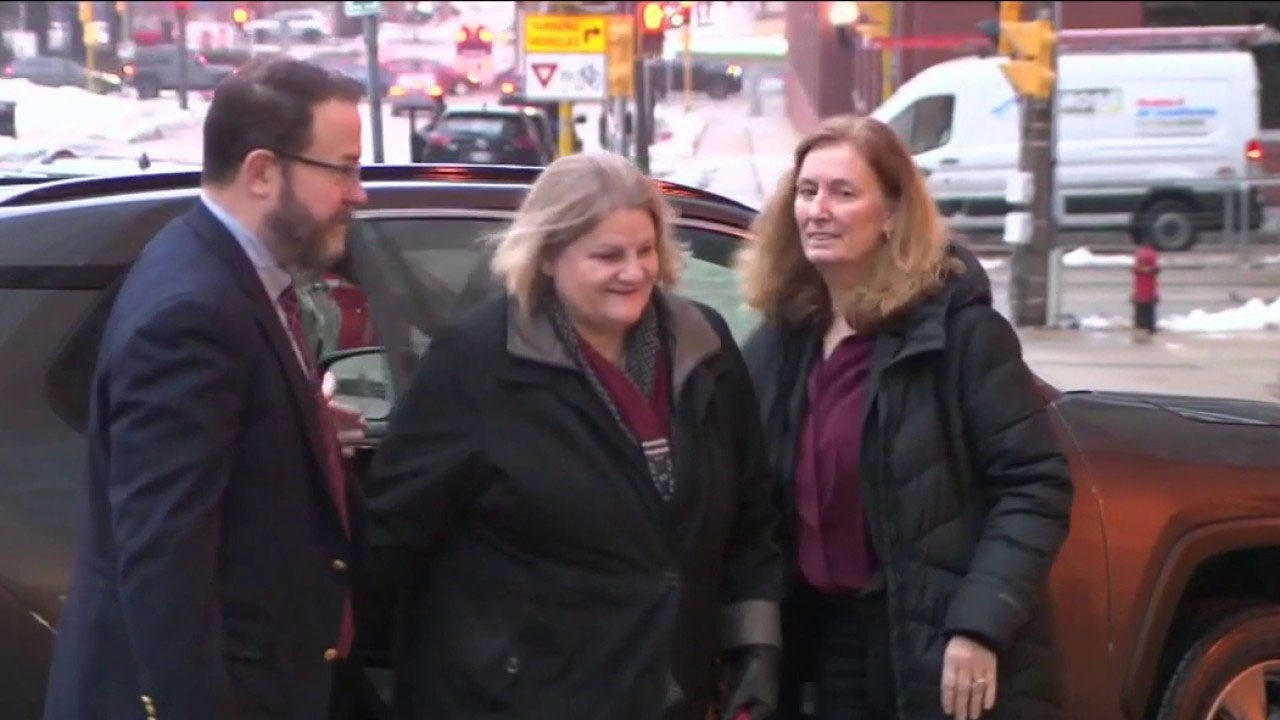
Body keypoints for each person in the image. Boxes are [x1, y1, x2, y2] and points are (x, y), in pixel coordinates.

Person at [363, 150, 783, 720]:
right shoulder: (477, 362)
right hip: (526, 699)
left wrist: (755, 649)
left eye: (645, 250)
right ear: (547, 256)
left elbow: (751, 517)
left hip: (674, 693)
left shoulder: (702, 346)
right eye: (608, 256)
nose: (633, 272)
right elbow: (394, 533)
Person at [43, 57, 377, 720]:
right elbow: (165, 559)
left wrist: (301, 428)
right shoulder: (194, 313)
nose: (358, 194)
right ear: (262, 172)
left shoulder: (218, 269)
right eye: (343, 169)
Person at [735, 114, 1074, 720]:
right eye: (808, 192)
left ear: (892, 213)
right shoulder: (781, 344)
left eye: (843, 192)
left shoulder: (959, 335)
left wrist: (980, 625)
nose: (818, 210)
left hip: (939, 647)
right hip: (825, 646)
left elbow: (1035, 486)